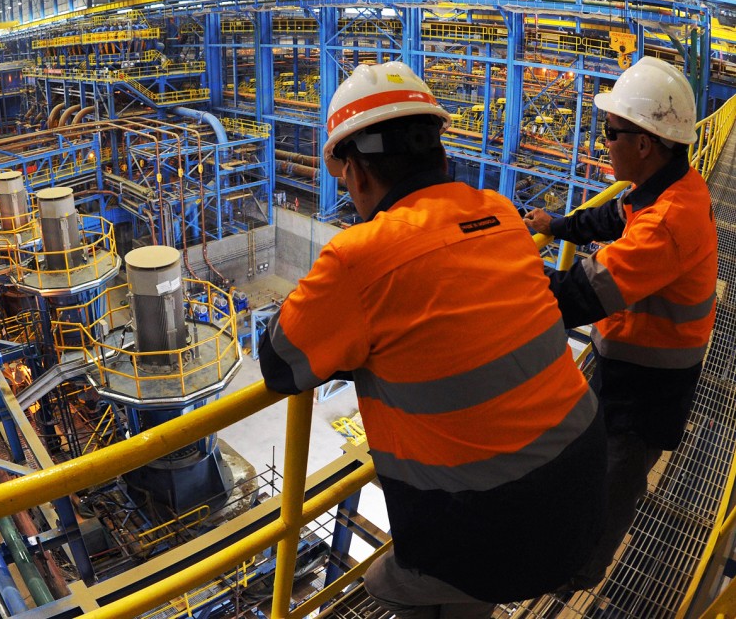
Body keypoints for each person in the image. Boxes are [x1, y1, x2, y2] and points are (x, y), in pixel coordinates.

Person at [259, 61, 607, 617]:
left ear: (358, 172)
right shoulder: (499, 213)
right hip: (589, 484)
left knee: (382, 583)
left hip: (494, 527)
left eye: (344, 180)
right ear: (439, 153)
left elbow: (279, 364)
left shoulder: (359, 257)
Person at [524, 56, 717, 589]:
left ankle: (573, 581)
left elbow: (577, 296)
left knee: (613, 485)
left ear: (644, 144)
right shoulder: (670, 187)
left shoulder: (666, 225)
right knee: (597, 468)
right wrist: (558, 225)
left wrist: (490, 277)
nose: (602, 142)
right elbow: (612, 216)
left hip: (646, 393)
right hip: (631, 370)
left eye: (610, 133)